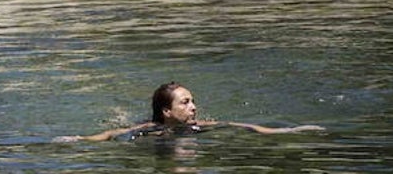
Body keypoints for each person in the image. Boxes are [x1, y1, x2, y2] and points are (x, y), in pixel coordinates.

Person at [62, 82, 325, 141]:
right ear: (166, 111)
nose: (194, 107)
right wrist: (79, 140)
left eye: (193, 101)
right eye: (185, 102)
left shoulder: (200, 125)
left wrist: (291, 129)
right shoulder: (149, 129)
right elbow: (111, 133)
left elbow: (245, 126)